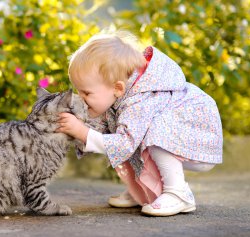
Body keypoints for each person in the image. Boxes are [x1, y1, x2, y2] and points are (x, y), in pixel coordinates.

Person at [57, 30, 223, 216]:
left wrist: (82, 132)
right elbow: (106, 131)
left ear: (118, 87)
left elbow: (124, 143)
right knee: (133, 131)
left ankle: (178, 193)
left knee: (152, 133)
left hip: (197, 137)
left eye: (86, 93)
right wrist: (76, 128)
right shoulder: (122, 95)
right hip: (179, 135)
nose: (81, 98)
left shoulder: (140, 101)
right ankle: (142, 192)